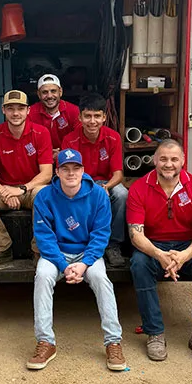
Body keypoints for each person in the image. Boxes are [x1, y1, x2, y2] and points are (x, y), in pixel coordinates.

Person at [30, 148, 127, 372]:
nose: (71, 173)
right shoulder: (44, 196)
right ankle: (46, 342)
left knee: (101, 278)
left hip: (87, 254)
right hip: (57, 254)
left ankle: (113, 341)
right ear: (57, 171)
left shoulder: (99, 195)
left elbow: (101, 234)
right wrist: (64, 266)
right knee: (43, 275)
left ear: (83, 171)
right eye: (65, 168)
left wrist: (84, 264)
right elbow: (44, 237)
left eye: (76, 168)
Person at [127, 139, 192, 363]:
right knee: (139, 264)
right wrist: (160, 255)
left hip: (187, 246)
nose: (169, 164)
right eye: (164, 159)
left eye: (174, 159)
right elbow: (135, 235)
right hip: (153, 245)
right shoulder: (139, 187)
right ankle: (155, 333)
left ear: (183, 161)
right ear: (155, 160)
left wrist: (183, 256)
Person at [0, 89, 53, 266]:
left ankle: (38, 250)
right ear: (3, 110)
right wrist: (5, 192)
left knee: (45, 193)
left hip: (30, 190)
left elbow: (47, 173)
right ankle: (2, 248)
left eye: (20, 108)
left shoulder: (41, 133)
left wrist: (21, 190)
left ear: (28, 110)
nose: (16, 113)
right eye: (10, 108)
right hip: (5, 190)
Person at [63, 93, 127, 268]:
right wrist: (93, 187)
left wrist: (106, 186)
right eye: (88, 116)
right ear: (80, 117)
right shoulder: (70, 140)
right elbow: (69, 173)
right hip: (79, 183)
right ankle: (85, 242)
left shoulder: (113, 137)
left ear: (104, 117)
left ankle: (113, 244)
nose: (92, 121)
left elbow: (118, 174)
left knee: (122, 194)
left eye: (97, 116)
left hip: (107, 182)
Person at [27, 74, 80, 151]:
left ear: (60, 92)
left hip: (68, 156)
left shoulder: (73, 110)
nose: (49, 96)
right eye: (45, 92)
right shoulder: (30, 113)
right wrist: (47, 153)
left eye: (53, 91)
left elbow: (80, 138)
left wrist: (62, 154)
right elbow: (26, 142)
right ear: (38, 94)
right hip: (39, 156)